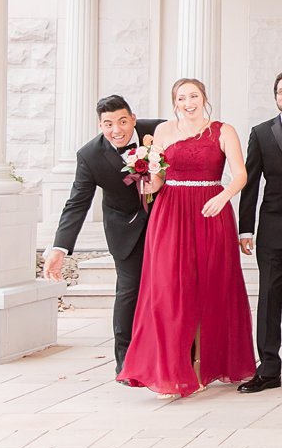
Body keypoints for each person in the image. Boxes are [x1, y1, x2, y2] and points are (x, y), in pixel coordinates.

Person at [117, 78, 255, 396]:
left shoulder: (223, 130)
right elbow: (158, 178)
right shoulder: (163, 132)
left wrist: (224, 196)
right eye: (182, 97)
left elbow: (241, 173)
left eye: (194, 96)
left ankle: (201, 365)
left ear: (204, 98)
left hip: (210, 210)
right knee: (168, 288)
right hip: (170, 213)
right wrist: (146, 180)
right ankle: (169, 367)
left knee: (208, 286)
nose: (188, 102)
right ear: (174, 102)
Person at [43, 95, 163, 375]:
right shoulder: (90, 155)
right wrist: (60, 248)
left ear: (133, 118)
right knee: (129, 291)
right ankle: (126, 363)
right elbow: (77, 203)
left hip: (165, 221)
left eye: (122, 121)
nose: (116, 130)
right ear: (100, 125)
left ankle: (175, 355)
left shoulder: (159, 131)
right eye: (108, 124)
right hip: (125, 228)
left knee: (169, 288)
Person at [237, 68, 282, 394]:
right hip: (273, 228)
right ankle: (268, 369)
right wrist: (245, 229)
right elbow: (250, 184)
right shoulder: (261, 133)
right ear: (276, 96)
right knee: (269, 297)